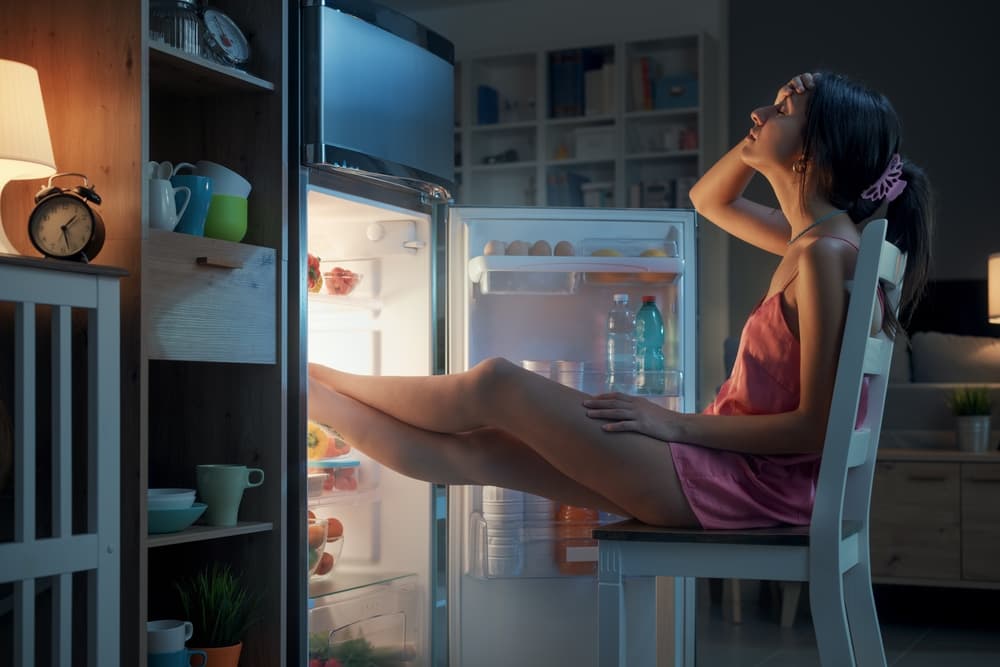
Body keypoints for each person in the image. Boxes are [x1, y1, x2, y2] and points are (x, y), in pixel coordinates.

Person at [308, 71, 934, 529]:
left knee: (497, 384)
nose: (759, 114)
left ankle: (310, 382)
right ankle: (311, 396)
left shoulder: (825, 256)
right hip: (736, 475)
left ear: (816, 147)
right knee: (481, 449)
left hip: (746, 485)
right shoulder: (817, 241)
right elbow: (708, 199)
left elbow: (816, 426)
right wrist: (770, 138)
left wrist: (671, 423)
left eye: (781, 110)